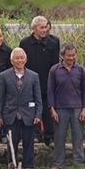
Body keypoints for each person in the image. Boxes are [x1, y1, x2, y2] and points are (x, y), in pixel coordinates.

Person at [0, 48, 42, 169]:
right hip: (11, 114)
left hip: (28, 114)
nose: (20, 60)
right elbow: (0, 97)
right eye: (17, 58)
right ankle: (12, 166)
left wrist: (38, 114)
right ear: (12, 60)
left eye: (22, 58)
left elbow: (38, 97)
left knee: (29, 142)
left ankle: (28, 166)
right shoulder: (4, 76)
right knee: (12, 142)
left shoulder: (34, 76)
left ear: (26, 59)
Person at [48, 42, 85, 169]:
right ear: (62, 55)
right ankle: (58, 164)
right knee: (59, 138)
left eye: (73, 55)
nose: (71, 58)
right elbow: (50, 91)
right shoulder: (54, 70)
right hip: (60, 109)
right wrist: (52, 109)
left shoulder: (80, 70)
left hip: (77, 108)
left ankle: (79, 163)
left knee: (78, 138)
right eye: (68, 56)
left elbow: (84, 91)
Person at [20, 15, 60, 146]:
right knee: (32, 108)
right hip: (30, 82)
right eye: (41, 28)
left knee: (47, 109)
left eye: (46, 27)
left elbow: (55, 64)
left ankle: (50, 136)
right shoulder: (25, 43)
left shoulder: (53, 42)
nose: (44, 30)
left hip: (47, 80)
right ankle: (35, 134)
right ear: (34, 28)